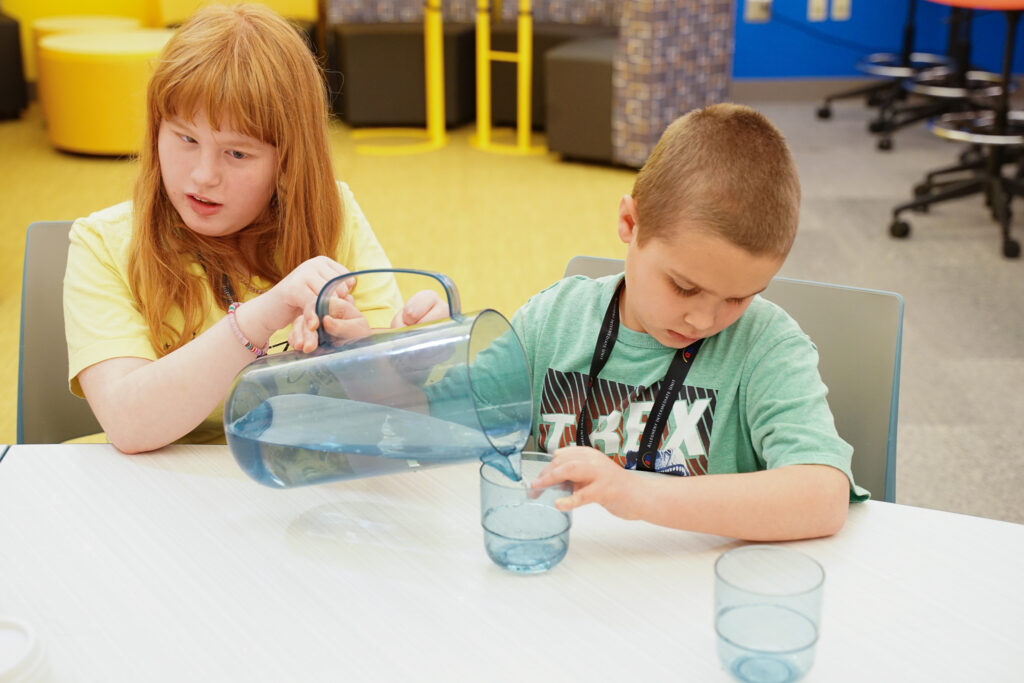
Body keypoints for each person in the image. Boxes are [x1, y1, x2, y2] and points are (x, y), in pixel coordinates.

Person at [64, 3, 446, 454]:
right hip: (162, 480)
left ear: (288, 161)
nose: (203, 175)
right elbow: (129, 426)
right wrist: (262, 317)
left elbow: (397, 416)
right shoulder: (104, 243)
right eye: (186, 138)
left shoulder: (333, 214)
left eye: (237, 153)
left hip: (297, 475)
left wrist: (383, 361)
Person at [522, 103, 868, 541]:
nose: (703, 319)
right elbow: (456, 425)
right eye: (684, 287)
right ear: (630, 222)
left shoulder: (767, 346)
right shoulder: (551, 320)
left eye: (738, 297)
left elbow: (822, 497)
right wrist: (439, 344)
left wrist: (637, 493)